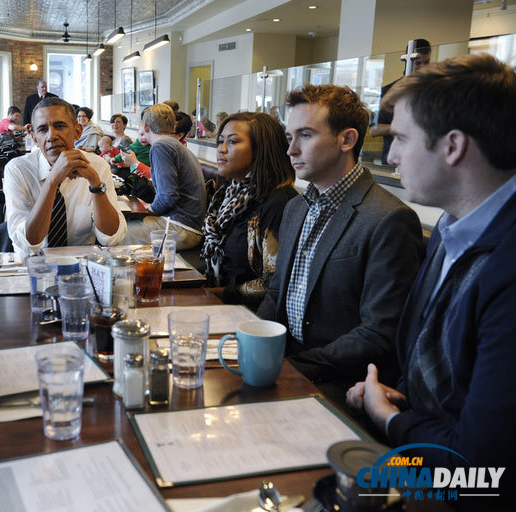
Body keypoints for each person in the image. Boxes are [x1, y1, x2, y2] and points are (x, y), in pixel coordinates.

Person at [346, 53, 516, 501]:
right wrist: (391, 395)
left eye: (401, 138)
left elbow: (483, 473)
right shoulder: (450, 225)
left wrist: (391, 419)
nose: (392, 155)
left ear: (453, 146)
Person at [256, 84, 424, 401]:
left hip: (342, 384)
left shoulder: (388, 219)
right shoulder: (295, 207)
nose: (291, 150)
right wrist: (251, 343)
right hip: (287, 365)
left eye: (305, 136)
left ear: (346, 139)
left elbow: (379, 332)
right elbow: (277, 291)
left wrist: (293, 367)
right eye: (289, 137)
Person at [4, 97, 126, 255]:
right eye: (42, 129)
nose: (51, 136)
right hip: (34, 268)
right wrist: (52, 181)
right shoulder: (18, 170)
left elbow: (112, 238)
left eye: (60, 126)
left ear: (77, 131)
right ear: (33, 136)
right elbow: (29, 244)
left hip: (82, 267)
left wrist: (96, 185)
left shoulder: (97, 166)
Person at [201, 113, 298, 308]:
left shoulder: (279, 203)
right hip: (218, 302)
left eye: (233, 142)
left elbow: (272, 284)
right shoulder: (228, 193)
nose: (222, 149)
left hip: (250, 317)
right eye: (220, 141)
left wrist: (208, 294)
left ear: (262, 149)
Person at [124, 103, 207, 250]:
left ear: (146, 126)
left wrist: (150, 209)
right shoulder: (176, 145)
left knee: (112, 233)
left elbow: (168, 197)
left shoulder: (160, 147)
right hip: (187, 225)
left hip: (181, 228)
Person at [369, 39, 431, 165]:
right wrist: (404, 127)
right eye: (418, 63)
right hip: (392, 160)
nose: (423, 68)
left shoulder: (433, 93)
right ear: (408, 61)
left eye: (427, 62)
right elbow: (374, 130)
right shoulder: (389, 91)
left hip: (423, 160)